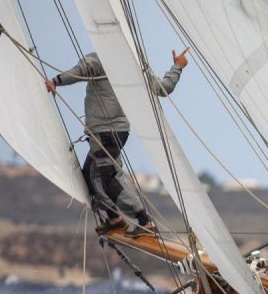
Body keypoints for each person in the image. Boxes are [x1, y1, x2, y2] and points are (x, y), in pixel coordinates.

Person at [46, 48, 189, 236]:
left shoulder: (100, 58)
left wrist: (56, 81)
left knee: (110, 178)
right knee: (90, 174)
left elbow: (80, 71)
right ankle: (114, 218)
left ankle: (144, 221)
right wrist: (178, 66)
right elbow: (165, 88)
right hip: (117, 132)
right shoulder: (136, 67)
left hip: (104, 133)